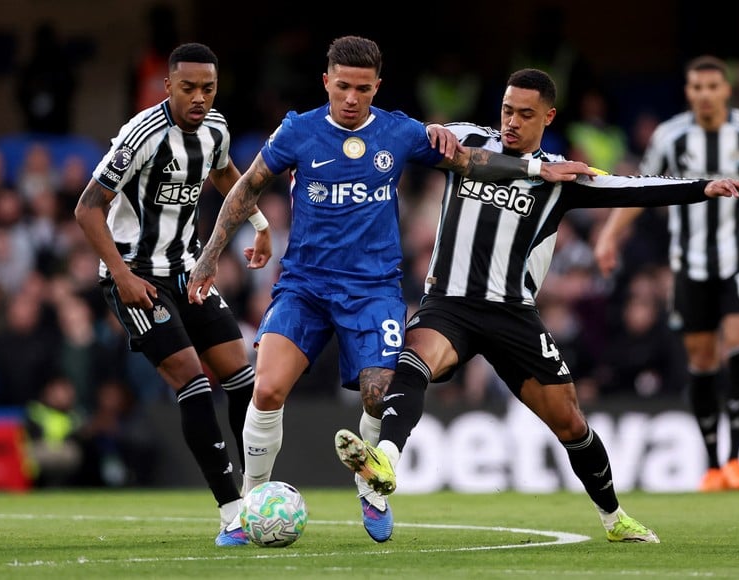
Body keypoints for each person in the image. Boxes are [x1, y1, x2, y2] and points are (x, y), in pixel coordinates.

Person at [185, 36, 587, 544]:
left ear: (378, 86)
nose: (352, 98)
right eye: (343, 86)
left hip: (373, 290)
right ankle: (250, 507)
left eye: (363, 88)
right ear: (326, 81)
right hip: (305, 286)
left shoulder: (398, 132)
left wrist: (534, 167)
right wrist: (209, 255)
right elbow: (247, 187)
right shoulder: (298, 131)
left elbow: (468, 162)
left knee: (379, 395)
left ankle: (371, 490)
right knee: (265, 389)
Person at [332, 68, 739, 544]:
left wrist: (703, 187)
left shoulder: (559, 175)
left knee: (571, 423)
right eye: (507, 110)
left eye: (526, 114)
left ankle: (614, 518)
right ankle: (385, 460)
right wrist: (426, 130)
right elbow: (401, 132)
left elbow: (630, 186)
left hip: (513, 315)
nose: (512, 121)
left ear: (549, 116)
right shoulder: (467, 139)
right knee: (413, 361)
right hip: (449, 304)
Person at [74, 42, 270, 546]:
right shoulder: (141, 134)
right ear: (168, 87)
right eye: (188, 88)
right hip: (136, 275)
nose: (199, 97)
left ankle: (256, 498)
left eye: (208, 88)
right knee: (192, 380)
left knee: (243, 377)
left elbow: (228, 174)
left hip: (188, 272)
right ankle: (230, 513)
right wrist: (119, 274)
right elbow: (87, 208)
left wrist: (259, 222)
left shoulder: (216, 129)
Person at [593, 55, 739, 492]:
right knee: (701, 360)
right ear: (688, 92)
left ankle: (738, 460)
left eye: (711, 87)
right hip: (690, 266)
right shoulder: (669, 136)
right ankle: (714, 462)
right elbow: (642, 189)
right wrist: (609, 236)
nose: (704, 95)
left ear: (725, 91)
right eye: (696, 87)